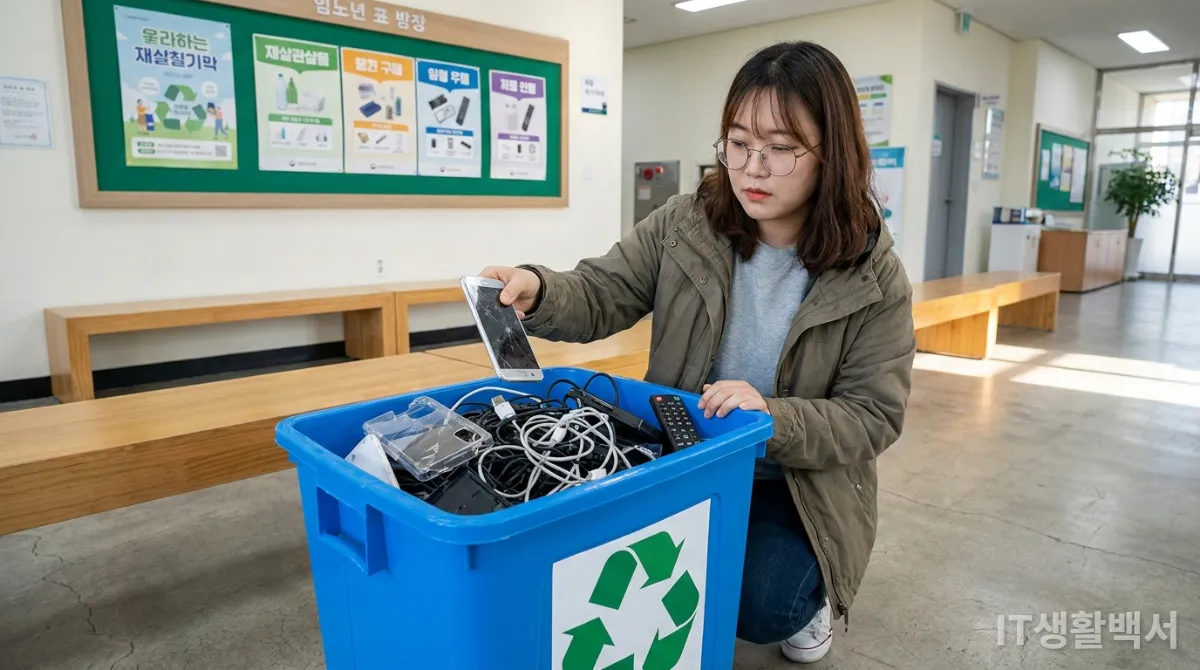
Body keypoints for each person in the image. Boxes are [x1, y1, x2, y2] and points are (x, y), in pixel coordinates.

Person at [482, 40, 915, 664]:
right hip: (682, 451)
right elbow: (603, 290)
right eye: (738, 144)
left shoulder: (873, 275)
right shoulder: (687, 223)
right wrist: (541, 288)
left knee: (761, 603)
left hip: (793, 481)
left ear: (832, 153)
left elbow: (873, 416)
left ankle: (812, 598)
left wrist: (771, 416)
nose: (752, 168)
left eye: (781, 148)